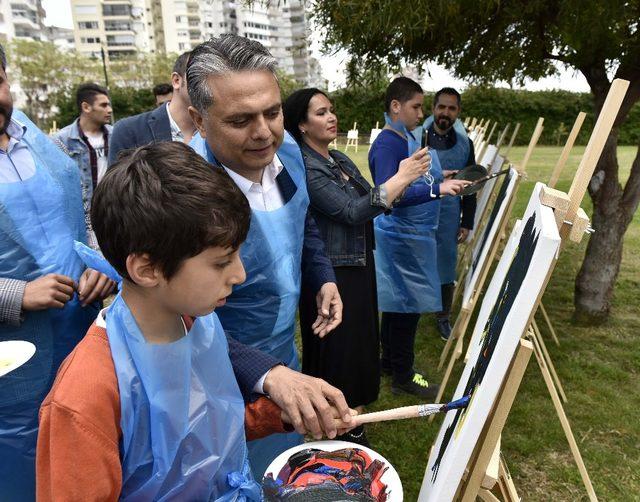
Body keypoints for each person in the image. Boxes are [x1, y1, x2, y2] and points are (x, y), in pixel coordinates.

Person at [35, 142, 355, 501]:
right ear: (147, 269)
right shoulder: (84, 399)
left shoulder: (196, 324)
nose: (240, 274)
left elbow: (202, 428)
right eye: (221, 262)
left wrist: (279, 413)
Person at [187, 35, 342, 477]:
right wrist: (265, 373)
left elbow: (302, 220)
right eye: (240, 120)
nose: (263, 132)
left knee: (278, 470)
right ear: (199, 120)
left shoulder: (288, 154)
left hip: (282, 357)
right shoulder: (182, 198)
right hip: (213, 374)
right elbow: (176, 318)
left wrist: (322, 276)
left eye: (272, 113)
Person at [283, 88, 432, 445]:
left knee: (362, 345)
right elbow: (352, 211)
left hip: (359, 263)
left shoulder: (339, 159)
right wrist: (401, 177)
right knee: (339, 351)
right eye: (321, 113)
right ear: (301, 125)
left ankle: (354, 417)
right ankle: (336, 427)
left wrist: (403, 182)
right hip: (331, 273)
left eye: (332, 110)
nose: (331, 117)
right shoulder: (305, 166)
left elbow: (374, 200)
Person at [0, 44, 116, 501]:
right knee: (24, 461)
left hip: (81, 330)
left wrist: (100, 263)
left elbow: (79, 215)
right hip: (13, 354)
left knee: (88, 435)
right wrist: (15, 294)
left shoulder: (33, 136)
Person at [369, 77, 468, 398]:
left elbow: (411, 177)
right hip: (400, 239)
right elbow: (390, 194)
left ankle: (389, 362)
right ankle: (404, 375)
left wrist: (441, 176)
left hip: (407, 239)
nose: (420, 113)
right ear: (395, 107)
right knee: (405, 309)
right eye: (416, 106)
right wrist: (437, 189)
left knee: (398, 307)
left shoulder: (403, 137)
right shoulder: (388, 143)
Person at [423, 88, 477, 340]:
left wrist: (466, 221)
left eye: (451, 108)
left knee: (445, 264)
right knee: (417, 260)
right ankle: (412, 308)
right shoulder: (416, 137)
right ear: (433, 108)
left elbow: (471, 184)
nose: (445, 113)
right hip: (418, 211)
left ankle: (443, 316)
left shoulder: (466, 144)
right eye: (441, 107)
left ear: (458, 112)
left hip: (448, 214)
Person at [109, 52, 196, 164]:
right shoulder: (129, 131)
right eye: (197, 77)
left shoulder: (216, 130)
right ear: (176, 81)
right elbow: (117, 180)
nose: (206, 86)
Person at [53, 83, 112, 207]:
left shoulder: (115, 134)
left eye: (109, 105)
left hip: (114, 209)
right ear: (86, 107)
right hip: (84, 212)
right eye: (103, 105)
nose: (109, 110)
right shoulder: (63, 140)